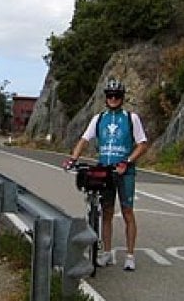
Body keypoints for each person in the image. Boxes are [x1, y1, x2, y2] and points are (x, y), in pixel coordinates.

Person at [62, 77, 148, 271]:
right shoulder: (99, 118)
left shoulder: (131, 118)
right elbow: (84, 140)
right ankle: (107, 253)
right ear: (106, 98)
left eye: (117, 95)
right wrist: (73, 159)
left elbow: (142, 144)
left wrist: (127, 162)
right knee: (106, 213)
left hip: (125, 172)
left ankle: (130, 255)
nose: (113, 98)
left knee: (127, 211)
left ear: (122, 97)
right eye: (110, 95)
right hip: (105, 171)